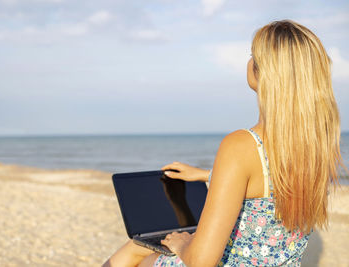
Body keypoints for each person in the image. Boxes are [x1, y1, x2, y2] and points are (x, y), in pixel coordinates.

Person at [103, 19, 346, 267]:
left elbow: (201, 262)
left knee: (135, 248)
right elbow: (271, 184)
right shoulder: (317, 146)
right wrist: (208, 175)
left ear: (262, 71)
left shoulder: (242, 144)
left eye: (253, 55)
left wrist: (181, 243)